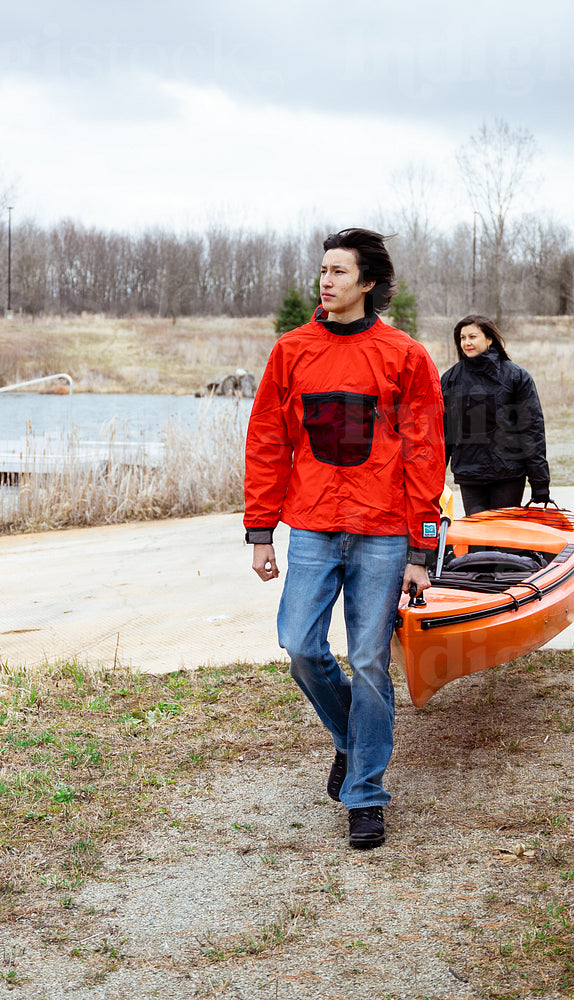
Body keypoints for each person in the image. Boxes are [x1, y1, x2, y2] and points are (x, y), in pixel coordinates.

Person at [243, 228, 446, 851]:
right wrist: (259, 530)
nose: (324, 281)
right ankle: (351, 739)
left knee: (368, 662)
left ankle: (365, 794)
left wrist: (421, 548)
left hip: (383, 534)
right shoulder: (291, 351)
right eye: (321, 270)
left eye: (337, 271)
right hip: (309, 527)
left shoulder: (406, 357)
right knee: (299, 644)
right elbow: (267, 441)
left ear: (368, 283)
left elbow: (425, 453)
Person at [440, 315, 550, 515]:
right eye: (462, 338)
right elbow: (444, 433)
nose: (466, 343)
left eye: (472, 336)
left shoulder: (516, 376)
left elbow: (531, 430)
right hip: (469, 475)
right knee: (476, 541)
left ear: (489, 339)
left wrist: (540, 483)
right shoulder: (450, 379)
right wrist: (434, 480)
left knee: (503, 539)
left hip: (508, 474)